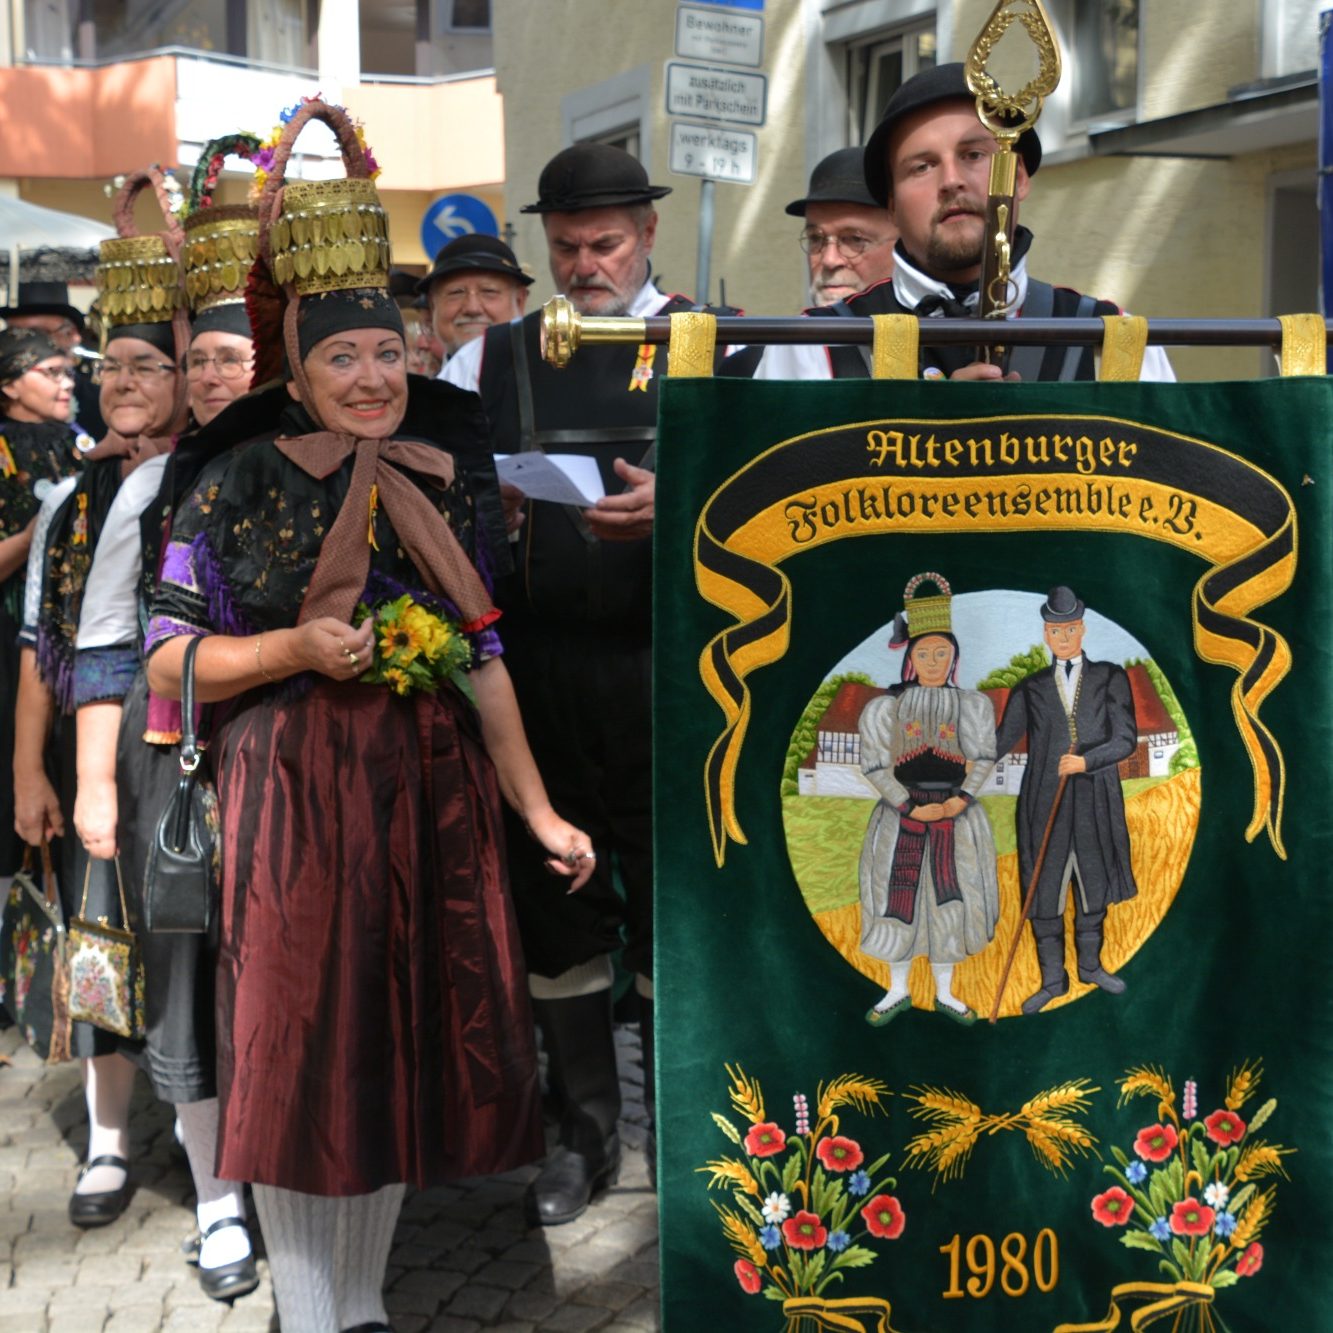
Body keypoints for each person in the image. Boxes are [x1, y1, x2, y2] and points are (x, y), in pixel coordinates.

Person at [143, 100, 595, 1332]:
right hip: (293, 801)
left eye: (390, 353)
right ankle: (314, 1308)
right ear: (299, 371)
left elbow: (483, 659)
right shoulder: (234, 478)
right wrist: (290, 646)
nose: (373, 376)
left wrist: (540, 810)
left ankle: (362, 1307)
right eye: (344, 358)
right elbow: (166, 664)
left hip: (432, 805)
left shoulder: (450, 476)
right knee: (302, 1068)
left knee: (397, 1065)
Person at [443, 141, 705, 1225]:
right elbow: (441, 490)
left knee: (680, 897)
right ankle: (587, 1128)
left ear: (647, 234)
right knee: (560, 904)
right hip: (544, 668)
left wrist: (682, 497)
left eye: (605, 244)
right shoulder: (488, 359)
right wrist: (487, 515)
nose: (586, 264)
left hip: (678, 671)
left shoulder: (720, 345)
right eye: (565, 249)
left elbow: (783, 499)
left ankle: (688, 1133)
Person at [73, 160, 260, 1301]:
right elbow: (100, 648)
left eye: (223, 357)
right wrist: (94, 785)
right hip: (178, 764)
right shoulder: (153, 489)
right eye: (194, 361)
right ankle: (220, 1199)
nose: (205, 377)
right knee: (188, 978)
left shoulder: (330, 462)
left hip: (303, 766)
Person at [13, 177, 189, 1232]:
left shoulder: (216, 474)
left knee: (193, 948)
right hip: (94, 748)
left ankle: (218, 1153)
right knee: (99, 938)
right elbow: (45, 647)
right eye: (109, 366)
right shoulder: (70, 497)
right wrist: (32, 769)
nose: (122, 383)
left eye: (145, 366)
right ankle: (111, 1142)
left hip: (192, 747)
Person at [750, 63, 1175, 383]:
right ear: (893, 207)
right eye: (922, 166)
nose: (951, 181)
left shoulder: (1113, 343)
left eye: (973, 155)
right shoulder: (813, 348)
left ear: (1019, 177)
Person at [858, 574, 999, 1027]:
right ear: (910, 658)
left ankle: (945, 992)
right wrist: (909, 806)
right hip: (901, 819)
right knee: (896, 898)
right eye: (924, 653)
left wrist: (959, 801)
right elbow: (876, 766)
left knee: (948, 900)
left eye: (942, 653)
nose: (933, 661)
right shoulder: (886, 708)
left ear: (954, 657)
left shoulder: (972, 706)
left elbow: (982, 757)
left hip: (956, 819)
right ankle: (897, 989)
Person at [994, 586, 1138, 1014]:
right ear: (1045, 634)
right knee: (1044, 892)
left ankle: (1091, 968)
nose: (1063, 636)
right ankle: (1053, 982)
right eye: (1055, 630)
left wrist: (1087, 761)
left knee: (1093, 888)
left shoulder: (1110, 677)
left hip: (1095, 801)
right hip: (1043, 805)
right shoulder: (1030, 688)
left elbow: (1126, 739)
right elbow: (998, 743)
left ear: (1082, 629)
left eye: (1070, 628)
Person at [0, 330, 88, 885]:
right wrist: (40, 533)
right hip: (11, 644)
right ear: (9, 385)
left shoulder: (81, 441)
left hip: (71, 639)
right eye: (49, 372)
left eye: (67, 371)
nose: (66, 382)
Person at [792, 146, 897, 307]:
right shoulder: (788, 331)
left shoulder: (937, 328)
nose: (829, 260)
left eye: (855, 239)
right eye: (815, 238)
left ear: (905, 245)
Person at [1, 280, 106, 437]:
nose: (23, 344)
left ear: (72, 335)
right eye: (14, 335)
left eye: (39, 333)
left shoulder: (100, 405)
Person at [421, 234, 532, 361]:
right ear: (433, 305)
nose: (472, 308)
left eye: (488, 291)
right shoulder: (412, 380)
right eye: (456, 292)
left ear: (520, 301)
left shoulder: (548, 377)